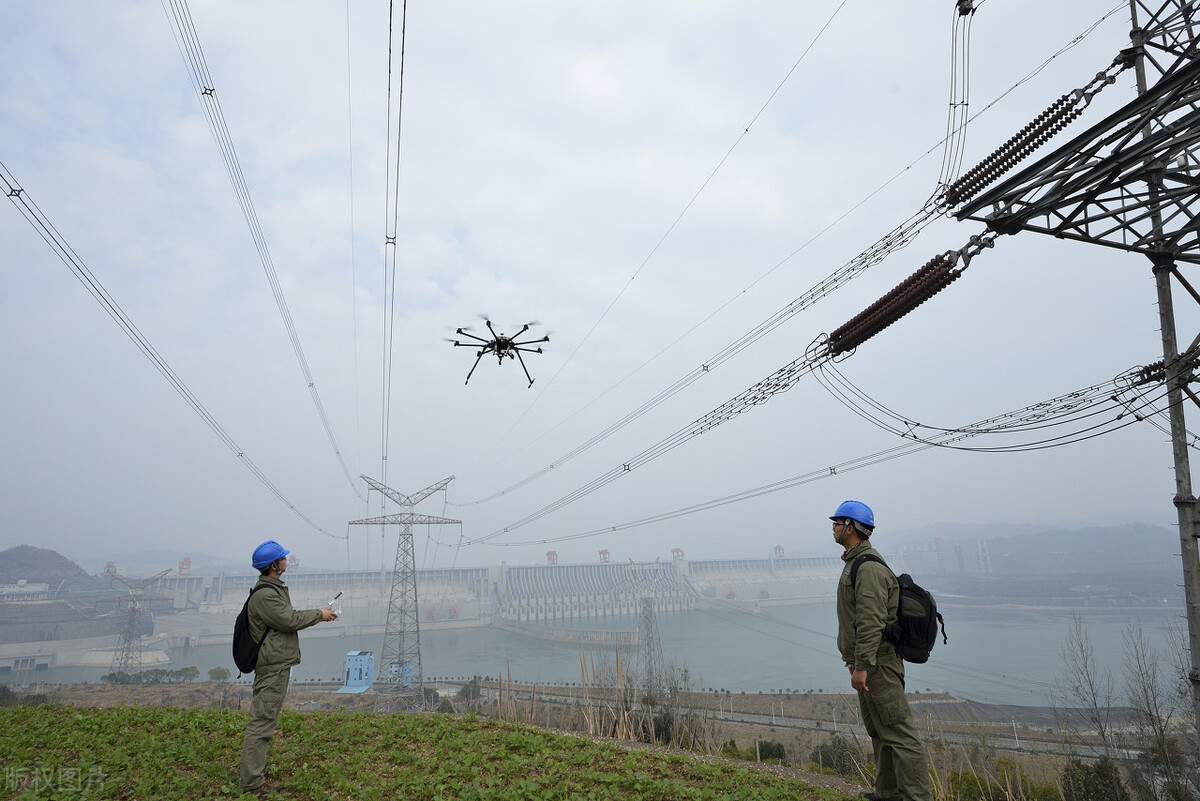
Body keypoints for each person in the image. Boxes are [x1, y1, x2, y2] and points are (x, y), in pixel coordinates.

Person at [831, 500, 932, 801]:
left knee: (900, 734)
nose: (833, 528)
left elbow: (871, 619)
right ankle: (888, 794)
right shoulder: (855, 562)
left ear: (851, 528)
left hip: (879, 665)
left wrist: (862, 664)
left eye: (838, 523)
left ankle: (917, 797)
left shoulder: (869, 567)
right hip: (867, 663)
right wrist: (852, 661)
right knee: (880, 732)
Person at [238, 539, 336, 796]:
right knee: (262, 722)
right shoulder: (267, 595)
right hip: (272, 667)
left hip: (275, 664)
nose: (286, 561)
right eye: (282, 558)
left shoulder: (272, 590)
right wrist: (319, 614)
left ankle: (254, 775)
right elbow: (288, 620)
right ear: (273, 566)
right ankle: (251, 784)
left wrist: (319, 612)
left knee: (265, 720)